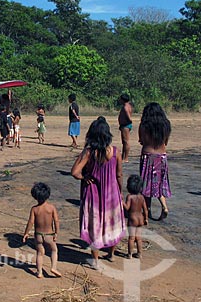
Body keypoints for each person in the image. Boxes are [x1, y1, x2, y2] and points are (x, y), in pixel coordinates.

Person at [71, 117, 125, 269]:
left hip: (93, 193)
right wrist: (119, 191)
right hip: (112, 192)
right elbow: (119, 175)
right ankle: (111, 254)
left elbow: (74, 172)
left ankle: (95, 260)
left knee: (95, 225)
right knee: (112, 223)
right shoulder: (115, 152)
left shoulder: (89, 152)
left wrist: (85, 177)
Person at [138, 102, 171, 220]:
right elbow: (165, 142)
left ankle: (147, 212)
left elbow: (141, 140)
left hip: (148, 156)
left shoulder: (144, 125)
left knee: (146, 184)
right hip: (162, 157)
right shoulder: (166, 125)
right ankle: (164, 206)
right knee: (159, 183)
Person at [22, 182, 61, 278]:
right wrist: (56, 232)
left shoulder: (34, 209)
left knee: (40, 253)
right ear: (48, 195)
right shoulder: (51, 208)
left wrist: (26, 233)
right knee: (54, 250)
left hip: (38, 235)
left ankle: (39, 272)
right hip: (49, 235)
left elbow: (30, 222)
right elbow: (56, 221)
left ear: (35, 196)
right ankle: (54, 268)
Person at [123, 174, 148, 259]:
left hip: (132, 218)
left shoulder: (129, 197)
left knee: (131, 238)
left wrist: (121, 201)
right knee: (139, 238)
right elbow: (145, 209)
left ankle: (129, 254)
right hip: (140, 218)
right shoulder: (141, 197)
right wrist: (146, 219)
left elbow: (127, 207)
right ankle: (139, 253)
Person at [118, 94, 133, 163]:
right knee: (124, 142)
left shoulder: (125, 107)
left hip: (126, 125)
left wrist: (127, 122)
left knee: (126, 141)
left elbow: (129, 117)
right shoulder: (128, 106)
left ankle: (126, 158)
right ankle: (123, 156)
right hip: (124, 125)